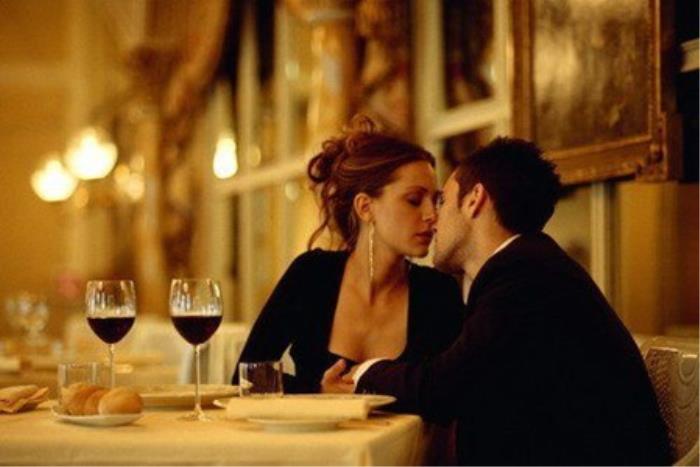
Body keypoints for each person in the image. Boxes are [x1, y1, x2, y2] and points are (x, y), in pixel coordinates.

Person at [323, 137, 671, 465]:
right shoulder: (524, 267)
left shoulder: (525, 277)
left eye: (442, 201)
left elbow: (443, 386)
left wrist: (363, 374)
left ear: (475, 199)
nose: (433, 219)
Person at [232, 117, 465, 393]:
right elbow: (247, 377)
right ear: (365, 207)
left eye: (435, 201)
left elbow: (452, 396)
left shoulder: (439, 293)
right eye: (414, 200)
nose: (432, 215)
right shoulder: (311, 275)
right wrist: (319, 392)